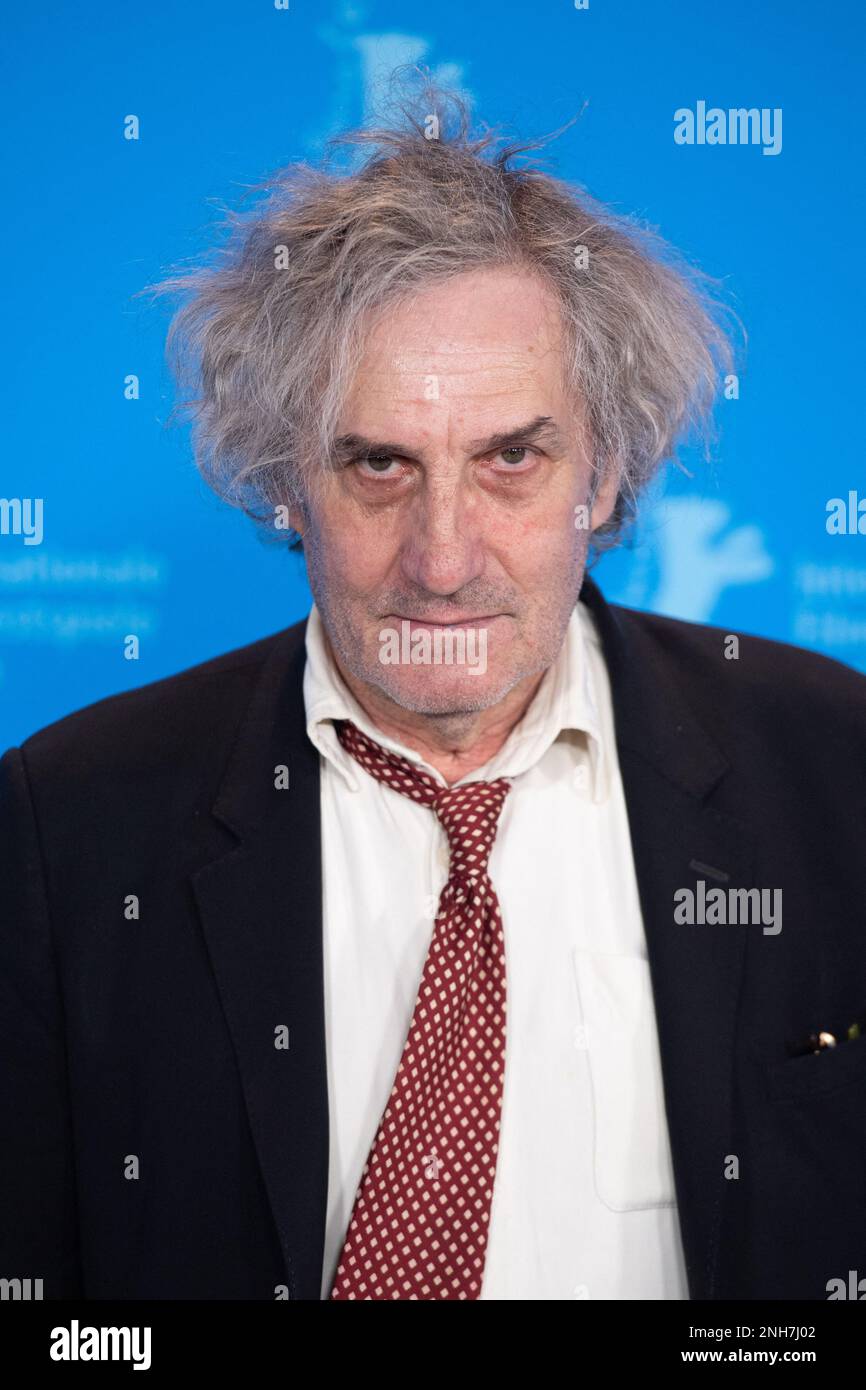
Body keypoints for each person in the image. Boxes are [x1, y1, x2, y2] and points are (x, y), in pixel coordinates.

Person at [2, 82, 865, 1302]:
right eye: (376, 464)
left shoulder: (835, 767)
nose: (443, 559)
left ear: (606, 470)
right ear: (282, 481)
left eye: (511, 457)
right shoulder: (67, 821)